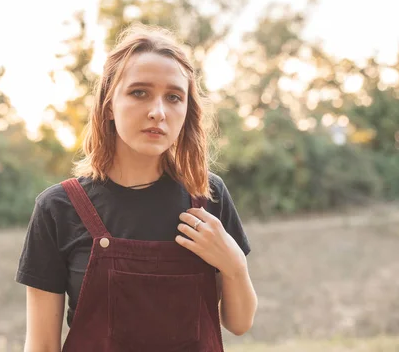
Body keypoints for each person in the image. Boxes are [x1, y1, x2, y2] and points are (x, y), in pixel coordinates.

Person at [15, 24, 258, 352]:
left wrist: (234, 265)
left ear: (187, 111)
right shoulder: (58, 208)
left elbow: (239, 324)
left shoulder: (208, 195)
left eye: (174, 97)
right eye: (139, 92)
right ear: (109, 105)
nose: (158, 112)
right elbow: (42, 345)